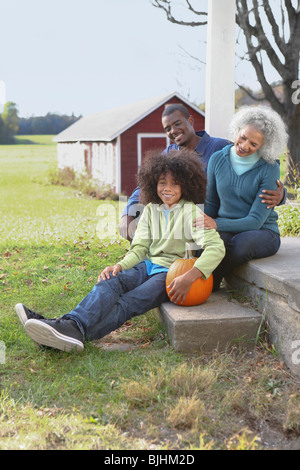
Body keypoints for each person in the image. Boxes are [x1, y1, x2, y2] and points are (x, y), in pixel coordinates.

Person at [15, 149, 225, 352]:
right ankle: (69, 325)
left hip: (170, 275)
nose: (167, 188)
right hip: (148, 266)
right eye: (162, 182)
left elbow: (216, 248)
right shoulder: (151, 209)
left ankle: (63, 330)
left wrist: (190, 276)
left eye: (174, 184)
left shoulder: (191, 212)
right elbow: (139, 247)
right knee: (110, 281)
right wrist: (119, 265)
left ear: (186, 186)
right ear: (153, 184)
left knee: (129, 302)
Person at [119, 103, 286, 241]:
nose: (173, 131)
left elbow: (253, 164)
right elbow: (144, 187)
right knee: (142, 220)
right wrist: (127, 214)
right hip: (180, 213)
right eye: (167, 128)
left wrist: (281, 195)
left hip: (207, 214)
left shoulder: (219, 148)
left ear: (190, 120)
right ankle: (150, 262)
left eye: (177, 124)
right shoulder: (168, 155)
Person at [197, 105, 288, 291]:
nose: (245, 145)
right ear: (238, 129)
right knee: (204, 243)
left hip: (262, 231)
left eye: (254, 144)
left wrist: (216, 224)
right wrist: (200, 222)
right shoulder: (217, 159)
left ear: (264, 146)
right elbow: (212, 203)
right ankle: (200, 282)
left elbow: (255, 221)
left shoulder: (269, 168)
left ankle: (209, 283)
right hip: (227, 226)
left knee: (239, 245)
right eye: (243, 137)